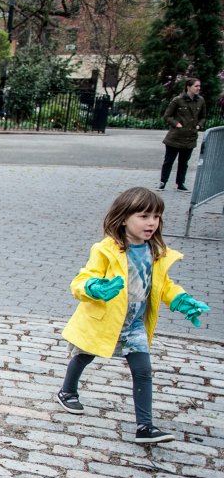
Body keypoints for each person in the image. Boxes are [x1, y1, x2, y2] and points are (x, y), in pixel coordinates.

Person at [58, 187, 211, 444]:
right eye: (144, 216)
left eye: (156, 216)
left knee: (142, 371)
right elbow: (81, 280)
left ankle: (145, 427)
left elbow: (163, 285)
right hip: (106, 320)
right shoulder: (106, 249)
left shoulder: (156, 251)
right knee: (84, 354)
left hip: (135, 323)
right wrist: (94, 288)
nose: (151, 222)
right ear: (123, 218)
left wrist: (181, 301)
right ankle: (67, 391)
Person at [158, 77, 206, 192]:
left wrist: (199, 125)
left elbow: (203, 116)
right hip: (175, 137)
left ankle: (180, 183)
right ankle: (163, 182)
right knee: (169, 161)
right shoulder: (178, 100)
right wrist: (176, 124)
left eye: (199, 86)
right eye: (196, 86)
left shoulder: (200, 100)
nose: (198, 88)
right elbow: (167, 116)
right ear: (188, 87)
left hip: (190, 137)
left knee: (184, 162)